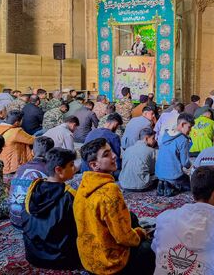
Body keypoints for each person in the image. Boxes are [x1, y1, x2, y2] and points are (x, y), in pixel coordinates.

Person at [74, 138, 155, 275]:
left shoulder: (83, 185)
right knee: (149, 248)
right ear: (94, 165)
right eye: (106, 154)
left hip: (88, 259)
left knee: (131, 216)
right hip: (110, 264)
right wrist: (141, 233)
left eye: (111, 151)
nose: (114, 156)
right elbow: (123, 237)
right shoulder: (110, 190)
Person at [22, 147, 80, 270]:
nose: (74, 168)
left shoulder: (33, 188)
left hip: (33, 255)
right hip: (61, 259)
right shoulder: (69, 195)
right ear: (58, 170)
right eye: (71, 165)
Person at [9, 136, 54, 228]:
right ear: (51, 153)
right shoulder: (49, 170)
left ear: (33, 152)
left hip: (14, 219)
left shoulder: (21, 167)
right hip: (32, 224)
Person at [156, 113, 194, 197]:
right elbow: (185, 163)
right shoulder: (183, 139)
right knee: (189, 182)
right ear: (183, 124)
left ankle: (163, 183)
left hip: (159, 173)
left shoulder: (165, 134)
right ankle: (173, 186)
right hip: (173, 175)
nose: (190, 130)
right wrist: (191, 166)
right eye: (189, 127)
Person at [0, 110, 34, 174]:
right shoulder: (16, 132)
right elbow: (32, 140)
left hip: (3, 164)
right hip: (13, 166)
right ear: (16, 122)